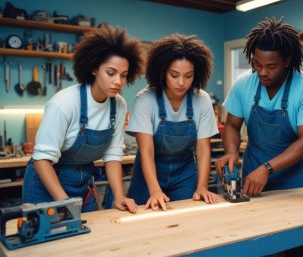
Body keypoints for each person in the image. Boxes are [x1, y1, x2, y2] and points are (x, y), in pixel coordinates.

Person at [215, 17, 303, 256]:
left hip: (292, 186)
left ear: (287, 60)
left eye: (270, 66)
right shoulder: (244, 84)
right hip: (252, 183)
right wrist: (231, 152)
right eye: (257, 64)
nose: (262, 72)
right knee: (256, 247)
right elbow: (231, 125)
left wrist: (268, 168)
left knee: (293, 249)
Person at [23, 25, 144, 213]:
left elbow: (112, 155)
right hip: (45, 184)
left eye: (124, 75)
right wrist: (64, 202)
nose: (118, 82)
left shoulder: (118, 105)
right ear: (94, 68)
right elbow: (42, 159)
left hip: (83, 182)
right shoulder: (65, 103)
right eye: (111, 73)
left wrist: (119, 196)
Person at [126, 34, 219, 211]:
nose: (182, 83)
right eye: (174, 75)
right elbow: (146, 150)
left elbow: (203, 148)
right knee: (144, 220)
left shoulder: (202, 99)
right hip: (149, 174)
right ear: (162, 72)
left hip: (185, 174)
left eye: (188, 76)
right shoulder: (145, 99)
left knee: (187, 219)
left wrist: (202, 187)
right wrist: (154, 190)